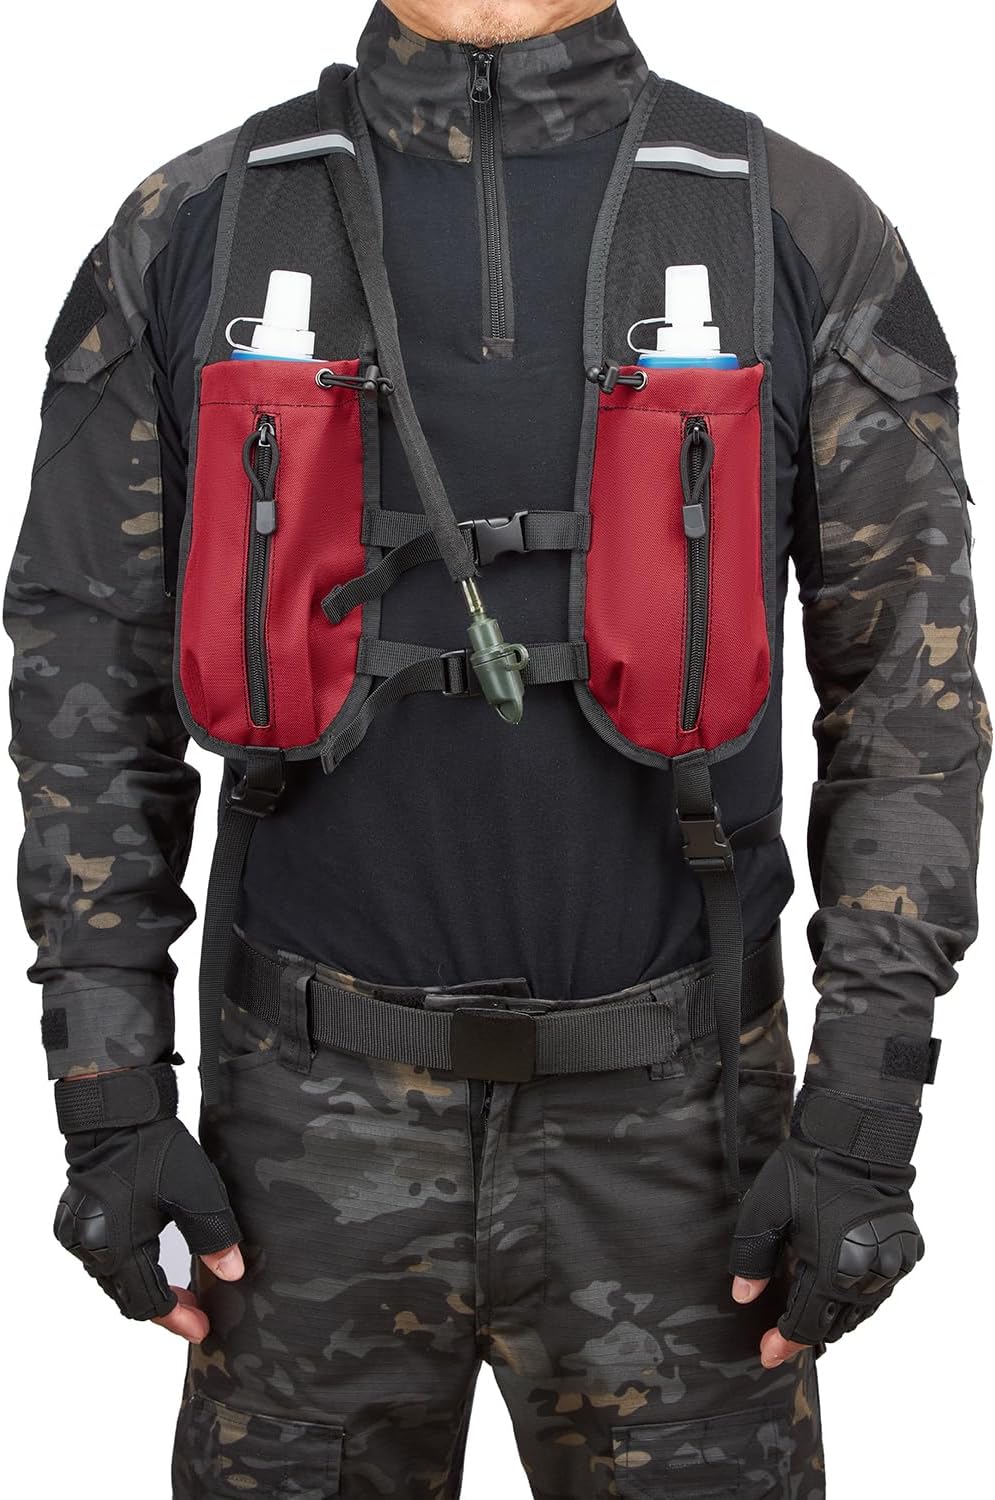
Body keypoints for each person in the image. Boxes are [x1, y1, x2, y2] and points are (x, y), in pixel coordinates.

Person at [5, 1, 987, 1495]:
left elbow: (911, 701)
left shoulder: (792, 229)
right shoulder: (196, 226)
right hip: (296, 1158)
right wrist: (108, 1094)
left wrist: (861, 1119)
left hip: (686, 1155)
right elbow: (85, 671)